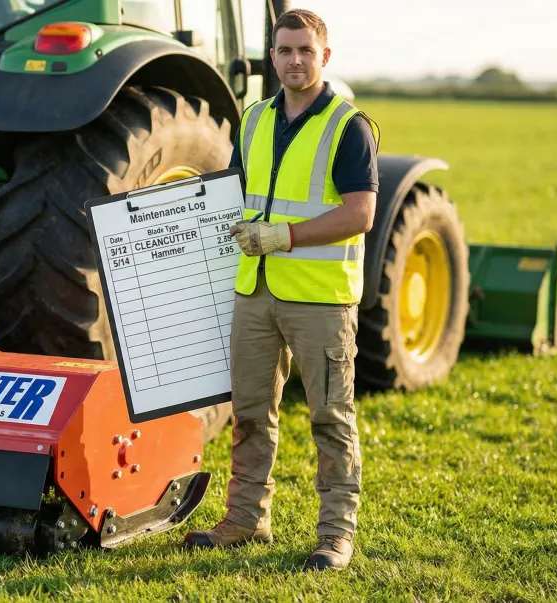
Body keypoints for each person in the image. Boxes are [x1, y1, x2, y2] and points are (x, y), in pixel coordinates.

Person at [182, 8, 379, 572]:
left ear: (325, 57)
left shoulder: (349, 126)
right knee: (249, 413)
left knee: (330, 418)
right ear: (272, 56)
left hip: (319, 297)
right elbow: (235, 196)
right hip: (256, 292)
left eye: (305, 52)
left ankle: (335, 535)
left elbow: (361, 214)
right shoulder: (253, 119)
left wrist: (282, 235)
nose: (295, 61)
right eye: (285, 51)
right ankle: (246, 519)